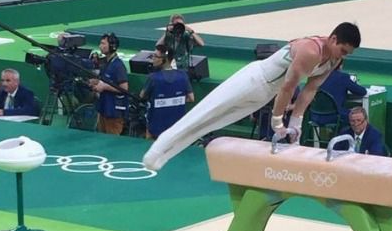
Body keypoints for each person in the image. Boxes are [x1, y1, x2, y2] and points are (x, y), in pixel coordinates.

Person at [142, 22, 362, 171]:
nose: (344, 56)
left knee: (214, 122)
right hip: (252, 80)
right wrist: (278, 123)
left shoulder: (334, 61)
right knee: (205, 113)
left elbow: (309, 91)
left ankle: (166, 156)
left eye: (348, 54)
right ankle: (158, 148)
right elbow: (288, 87)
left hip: (265, 94)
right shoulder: (310, 50)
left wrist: (296, 124)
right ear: (333, 39)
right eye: (343, 50)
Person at [139, 45, 195, 139]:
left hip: (155, 128)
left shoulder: (153, 78)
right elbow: (191, 98)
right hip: (177, 128)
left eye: (156, 56)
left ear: (164, 60)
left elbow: (142, 96)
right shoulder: (183, 76)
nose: (153, 58)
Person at [88, 33, 128, 134]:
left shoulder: (118, 66)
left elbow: (124, 88)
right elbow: (105, 81)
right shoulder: (105, 63)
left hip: (114, 113)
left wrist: (105, 87)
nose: (100, 46)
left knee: (112, 143)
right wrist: (96, 82)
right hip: (103, 109)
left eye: (103, 43)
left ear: (112, 46)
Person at [311, 59, 366, 127]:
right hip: (334, 116)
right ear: (340, 66)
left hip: (314, 116)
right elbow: (362, 92)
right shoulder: (343, 77)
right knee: (358, 116)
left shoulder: (316, 76)